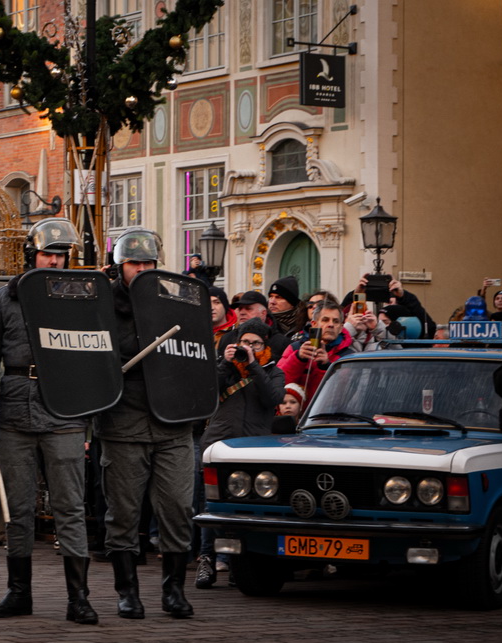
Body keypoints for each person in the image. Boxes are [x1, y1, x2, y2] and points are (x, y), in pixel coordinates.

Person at [0, 217, 98, 625]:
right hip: (14, 412)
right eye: (47, 254)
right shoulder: (4, 299)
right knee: (18, 508)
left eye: (61, 255)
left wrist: (89, 415)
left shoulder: (82, 298)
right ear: (32, 255)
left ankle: (79, 597)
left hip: (65, 413)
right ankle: (19, 592)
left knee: (69, 507)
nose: (55, 262)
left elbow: (97, 357)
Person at [96, 230, 196, 620]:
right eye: (134, 263)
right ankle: (127, 592)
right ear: (118, 266)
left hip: (172, 420)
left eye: (147, 263)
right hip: (123, 420)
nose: (141, 269)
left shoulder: (173, 301)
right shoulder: (102, 304)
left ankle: (174, 590)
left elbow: (194, 351)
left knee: (177, 507)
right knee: (123, 511)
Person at [196, 318, 285, 589]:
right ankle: (207, 560)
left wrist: (254, 365)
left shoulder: (274, 372)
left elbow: (272, 398)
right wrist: (225, 363)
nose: (249, 347)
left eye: (256, 343)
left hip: (252, 449)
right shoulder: (225, 367)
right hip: (219, 445)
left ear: (265, 346)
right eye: (245, 342)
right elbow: (206, 392)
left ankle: (239, 562)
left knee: (247, 507)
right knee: (211, 506)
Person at [277, 300, 354, 398]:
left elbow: (346, 393)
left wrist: (326, 367)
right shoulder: (295, 348)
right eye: (325, 320)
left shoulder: (348, 356)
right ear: (314, 324)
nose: (331, 325)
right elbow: (279, 384)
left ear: (341, 328)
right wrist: (298, 359)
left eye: (336, 321)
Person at [218, 291, 289, 360]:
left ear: (263, 313)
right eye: (240, 309)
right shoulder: (226, 339)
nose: (242, 313)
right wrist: (226, 361)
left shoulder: (281, 342)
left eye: (248, 309)